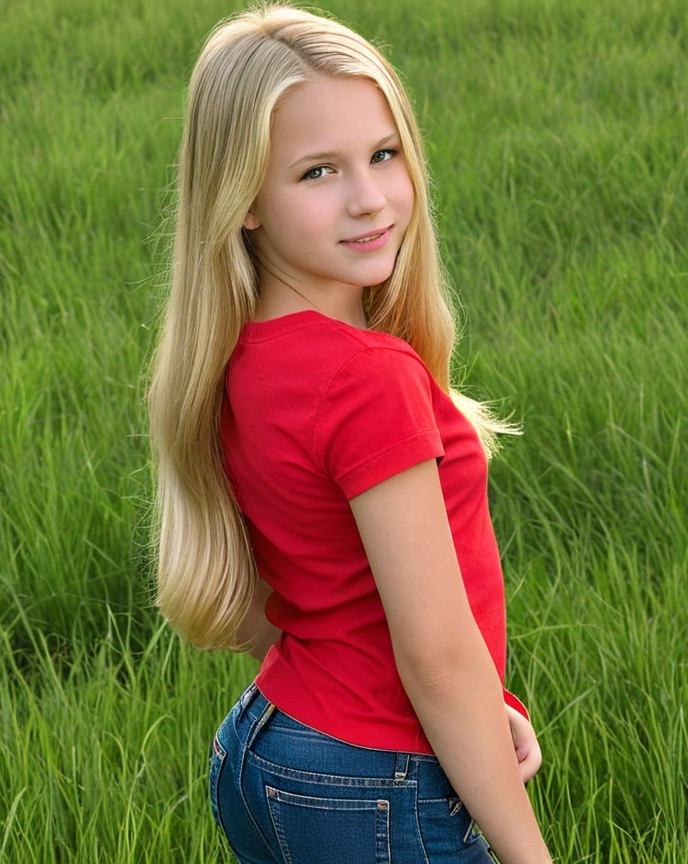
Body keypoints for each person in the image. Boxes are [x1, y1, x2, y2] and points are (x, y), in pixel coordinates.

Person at [147, 4, 552, 862]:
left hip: (269, 745)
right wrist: (528, 854)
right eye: (319, 172)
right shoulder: (366, 379)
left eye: (383, 155)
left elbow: (319, 586)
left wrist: (485, 707)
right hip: (372, 778)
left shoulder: (238, 357)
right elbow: (436, 656)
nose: (370, 200)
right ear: (243, 200)